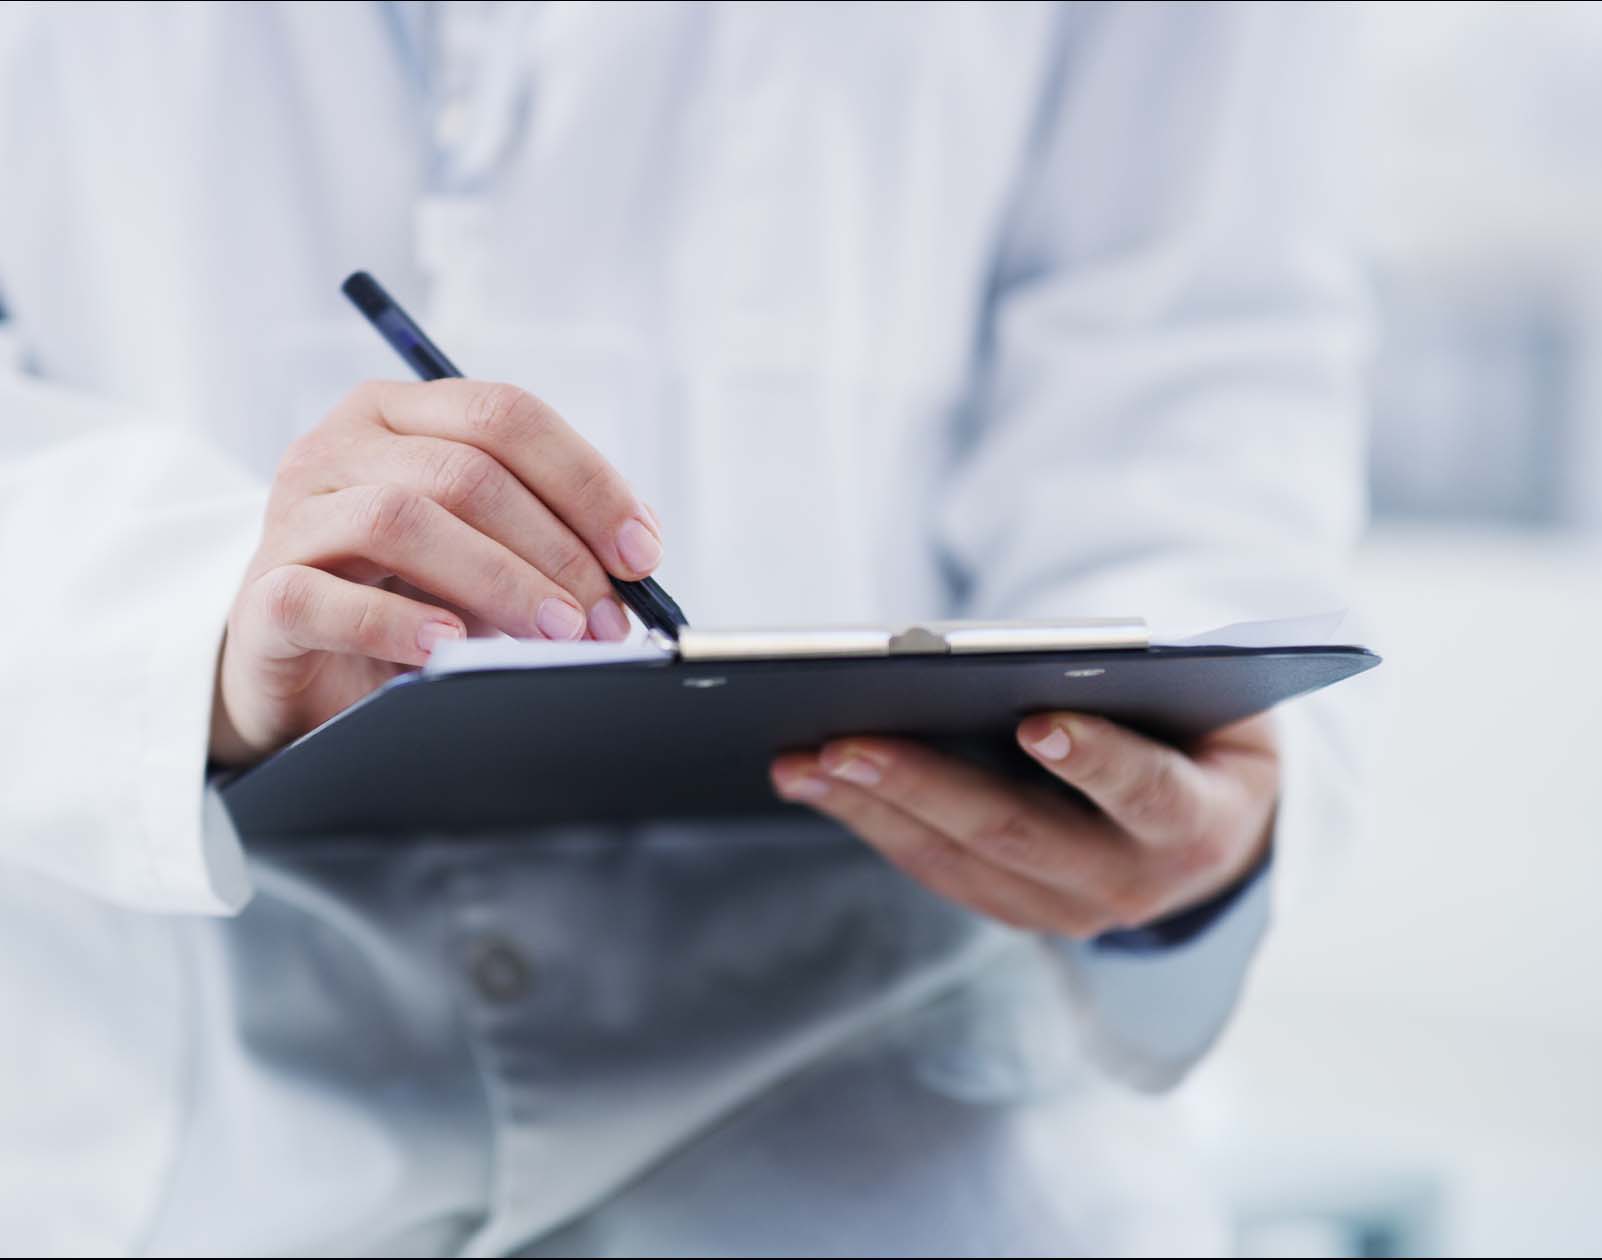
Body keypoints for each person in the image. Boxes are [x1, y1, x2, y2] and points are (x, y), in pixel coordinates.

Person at [0, 2, 1364, 1254]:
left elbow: (1198, 341)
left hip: (914, 1122)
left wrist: (1189, 780)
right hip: (166, 1110)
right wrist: (200, 620)